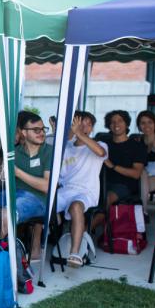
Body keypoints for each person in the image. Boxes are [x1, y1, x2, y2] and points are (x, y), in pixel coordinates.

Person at [56, 112, 108, 268]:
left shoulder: (100, 145)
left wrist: (79, 133)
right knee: (41, 206)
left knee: (76, 207)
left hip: (85, 192)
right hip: (64, 191)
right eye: (80, 123)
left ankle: (74, 253)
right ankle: (36, 247)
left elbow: (101, 153)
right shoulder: (66, 148)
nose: (84, 127)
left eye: (88, 124)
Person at [10, 112, 51, 260]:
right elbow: (0, 181)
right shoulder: (14, 152)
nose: (41, 133)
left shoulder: (49, 151)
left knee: (5, 215)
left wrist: (18, 173)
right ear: (23, 132)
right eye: (36, 130)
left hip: (38, 200)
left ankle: (5, 257)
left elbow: (47, 186)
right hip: (15, 196)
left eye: (43, 129)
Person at [102, 110, 147, 207]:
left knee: (106, 200)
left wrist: (113, 166)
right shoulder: (104, 143)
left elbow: (136, 174)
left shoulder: (137, 146)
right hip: (101, 182)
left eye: (120, 121)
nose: (116, 124)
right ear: (109, 126)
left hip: (124, 185)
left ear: (126, 124)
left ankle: (89, 222)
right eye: (112, 122)